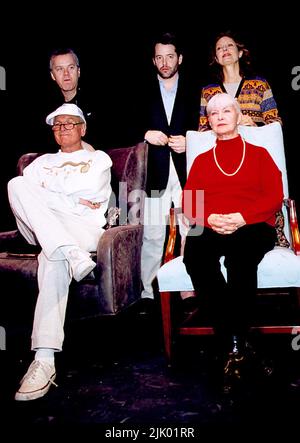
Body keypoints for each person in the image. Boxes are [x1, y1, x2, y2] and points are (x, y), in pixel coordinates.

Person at [8, 103, 112, 401]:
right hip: (39, 228)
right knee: (16, 184)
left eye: (70, 123)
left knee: (52, 257)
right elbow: (25, 197)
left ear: (83, 128)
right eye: (57, 125)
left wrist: (46, 196)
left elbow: (92, 196)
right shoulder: (38, 163)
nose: (63, 128)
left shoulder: (98, 160)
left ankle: (44, 360)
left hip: (83, 229)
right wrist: (69, 199)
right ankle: (70, 251)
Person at [182, 93, 283, 388]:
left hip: (252, 222)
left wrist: (242, 216)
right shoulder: (201, 160)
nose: (221, 116)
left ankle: (234, 344)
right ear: (209, 122)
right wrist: (210, 218)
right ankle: (236, 341)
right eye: (214, 113)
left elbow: (274, 196)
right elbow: (190, 200)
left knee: (240, 258)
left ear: (239, 117)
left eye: (227, 110)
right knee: (195, 256)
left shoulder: (260, 154)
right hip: (209, 222)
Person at [139, 32, 199, 311]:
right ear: (153, 60)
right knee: (152, 233)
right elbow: (120, 125)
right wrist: (145, 133)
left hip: (192, 171)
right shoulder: (140, 90)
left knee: (193, 232)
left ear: (180, 58)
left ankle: (189, 292)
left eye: (170, 56)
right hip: (155, 173)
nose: (165, 62)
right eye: (159, 57)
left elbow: (210, 126)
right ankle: (150, 293)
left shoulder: (197, 88)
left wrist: (191, 140)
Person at [199, 31, 282, 131]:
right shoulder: (208, 91)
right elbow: (203, 128)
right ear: (216, 58)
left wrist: (255, 126)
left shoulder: (260, 85)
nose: (225, 49)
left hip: (254, 145)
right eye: (219, 48)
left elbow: (276, 123)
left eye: (230, 45)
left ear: (240, 53)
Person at [48, 48, 98, 151]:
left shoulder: (96, 103)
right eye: (59, 69)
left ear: (78, 71)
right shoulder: (50, 111)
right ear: (53, 75)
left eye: (71, 67)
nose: (66, 74)